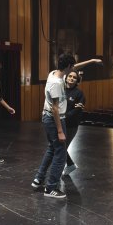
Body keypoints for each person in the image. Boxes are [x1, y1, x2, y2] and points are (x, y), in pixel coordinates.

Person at [31, 55, 74, 198]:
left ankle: (38, 179)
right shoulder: (56, 83)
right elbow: (55, 108)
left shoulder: (54, 73)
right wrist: (60, 131)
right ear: (68, 66)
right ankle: (50, 188)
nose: (73, 69)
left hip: (48, 117)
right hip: (54, 119)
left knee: (52, 148)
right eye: (72, 67)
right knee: (61, 153)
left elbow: (76, 67)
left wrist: (92, 61)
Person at [62, 70, 86, 176]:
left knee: (62, 147)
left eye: (74, 77)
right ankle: (70, 165)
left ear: (77, 80)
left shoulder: (79, 93)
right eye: (70, 76)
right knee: (60, 146)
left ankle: (70, 165)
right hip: (60, 123)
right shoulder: (61, 90)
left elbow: (77, 110)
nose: (71, 78)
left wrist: (64, 116)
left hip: (71, 125)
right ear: (66, 78)